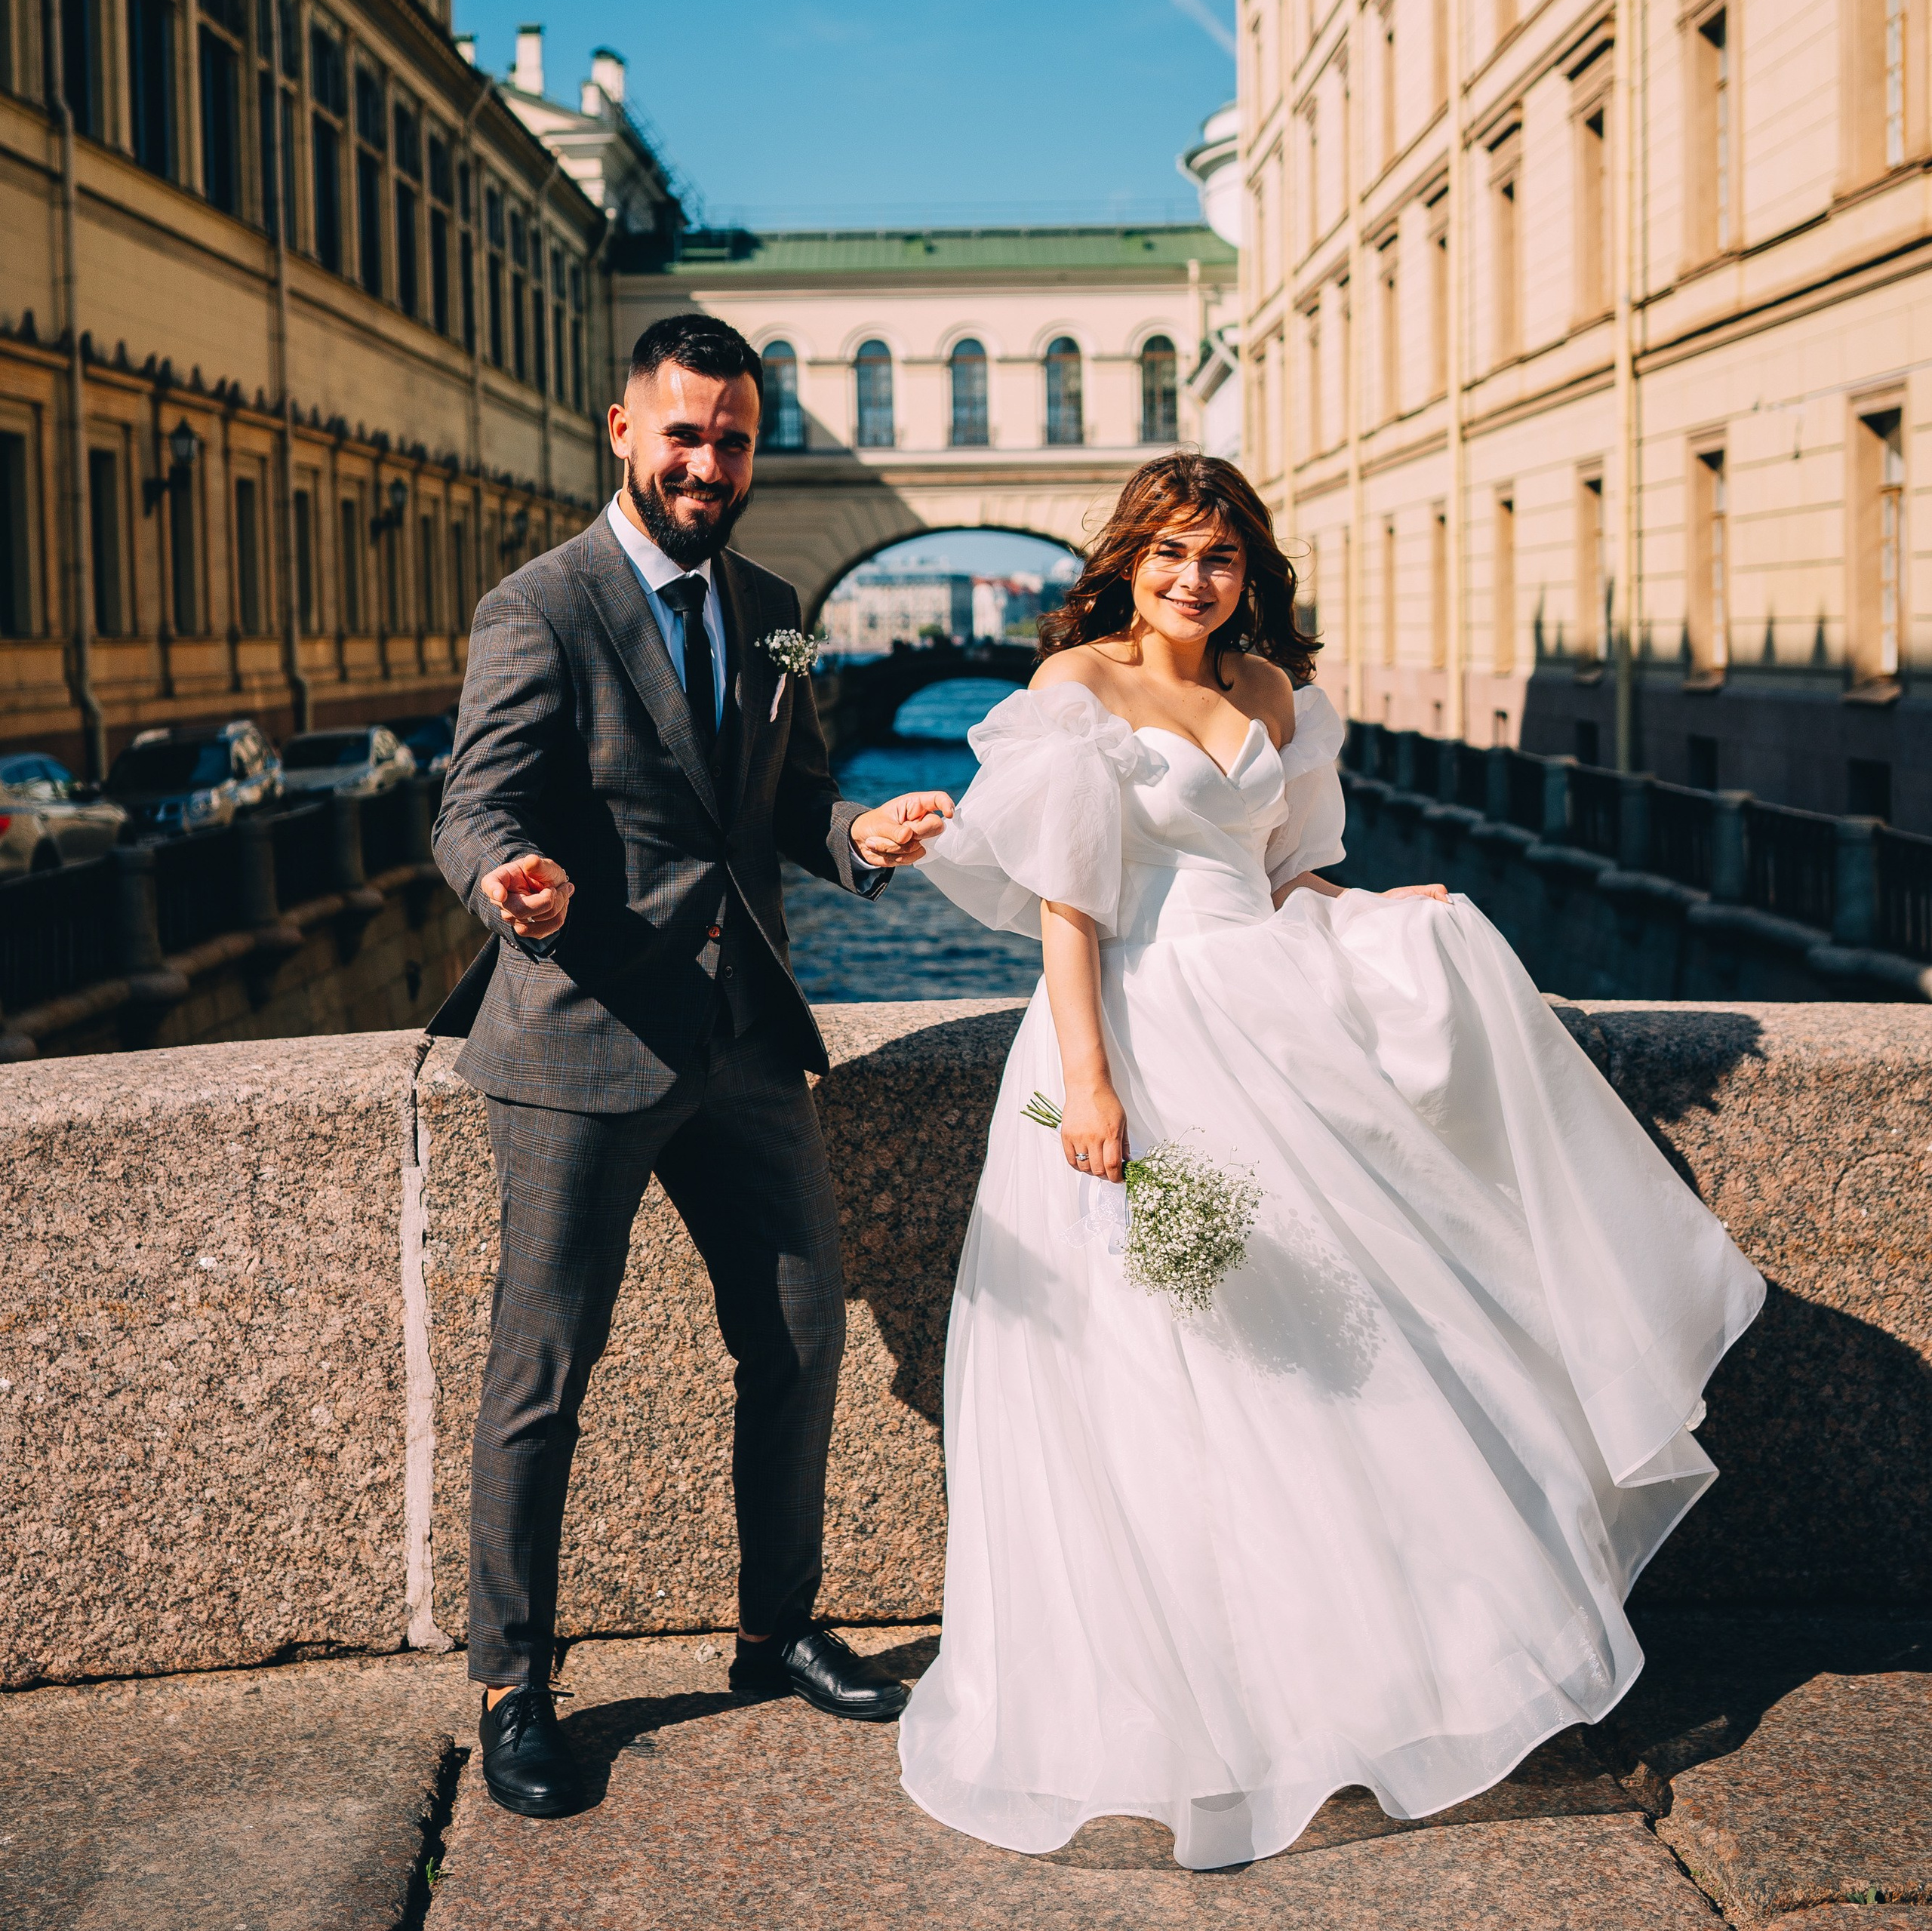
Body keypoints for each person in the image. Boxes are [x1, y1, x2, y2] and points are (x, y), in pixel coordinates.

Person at [896, 453, 1764, 1871]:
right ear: (1128, 560)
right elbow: (1070, 910)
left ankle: (1367, 1676)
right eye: (1172, 553)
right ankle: (1194, 1714)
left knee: (1344, 1336)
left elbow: (1282, 866)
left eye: (1221, 558)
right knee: (1165, 1358)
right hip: (1141, 1032)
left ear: (1253, 572)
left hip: (1273, 1016)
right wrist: (1092, 1089)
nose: (1195, 579)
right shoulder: (1077, 693)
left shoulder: (1273, 697)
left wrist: (1369, 906)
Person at [430, 313, 955, 1819]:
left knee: (797, 1332)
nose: (707, 462)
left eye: (730, 439)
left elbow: (779, 808)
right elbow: (476, 805)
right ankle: (513, 1682)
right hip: (581, 1034)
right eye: (683, 435)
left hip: (738, 1042)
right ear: (622, 432)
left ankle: (773, 1625)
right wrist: (509, 880)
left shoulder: (776, 603)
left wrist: (855, 839)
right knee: (542, 1373)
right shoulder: (541, 605)